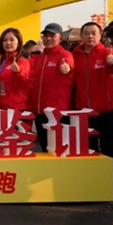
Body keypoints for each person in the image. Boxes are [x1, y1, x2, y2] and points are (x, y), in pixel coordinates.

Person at [72, 21, 113, 199]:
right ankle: (89, 185)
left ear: (100, 35)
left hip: (105, 111)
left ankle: (108, 185)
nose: (90, 36)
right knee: (87, 150)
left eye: (94, 33)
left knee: (108, 150)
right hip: (83, 112)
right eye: (86, 33)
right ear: (81, 36)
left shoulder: (108, 52)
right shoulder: (74, 55)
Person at [28, 23, 74, 152]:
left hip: (56, 112)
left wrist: (67, 68)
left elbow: (69, 65)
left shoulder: (65, 55)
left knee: (58, 148)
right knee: (44, 146)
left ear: (60, 38)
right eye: (46, 36)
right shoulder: (40, 57)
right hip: (39, 111)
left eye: (52, 36)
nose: (48, 38)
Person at [0, 28, 30, 111]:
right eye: (5, 40)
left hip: (15, 108)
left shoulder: (23, 62)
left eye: (12, 40)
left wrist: (18, 72)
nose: (8, 43)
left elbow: (24, 83)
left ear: (19, 43)